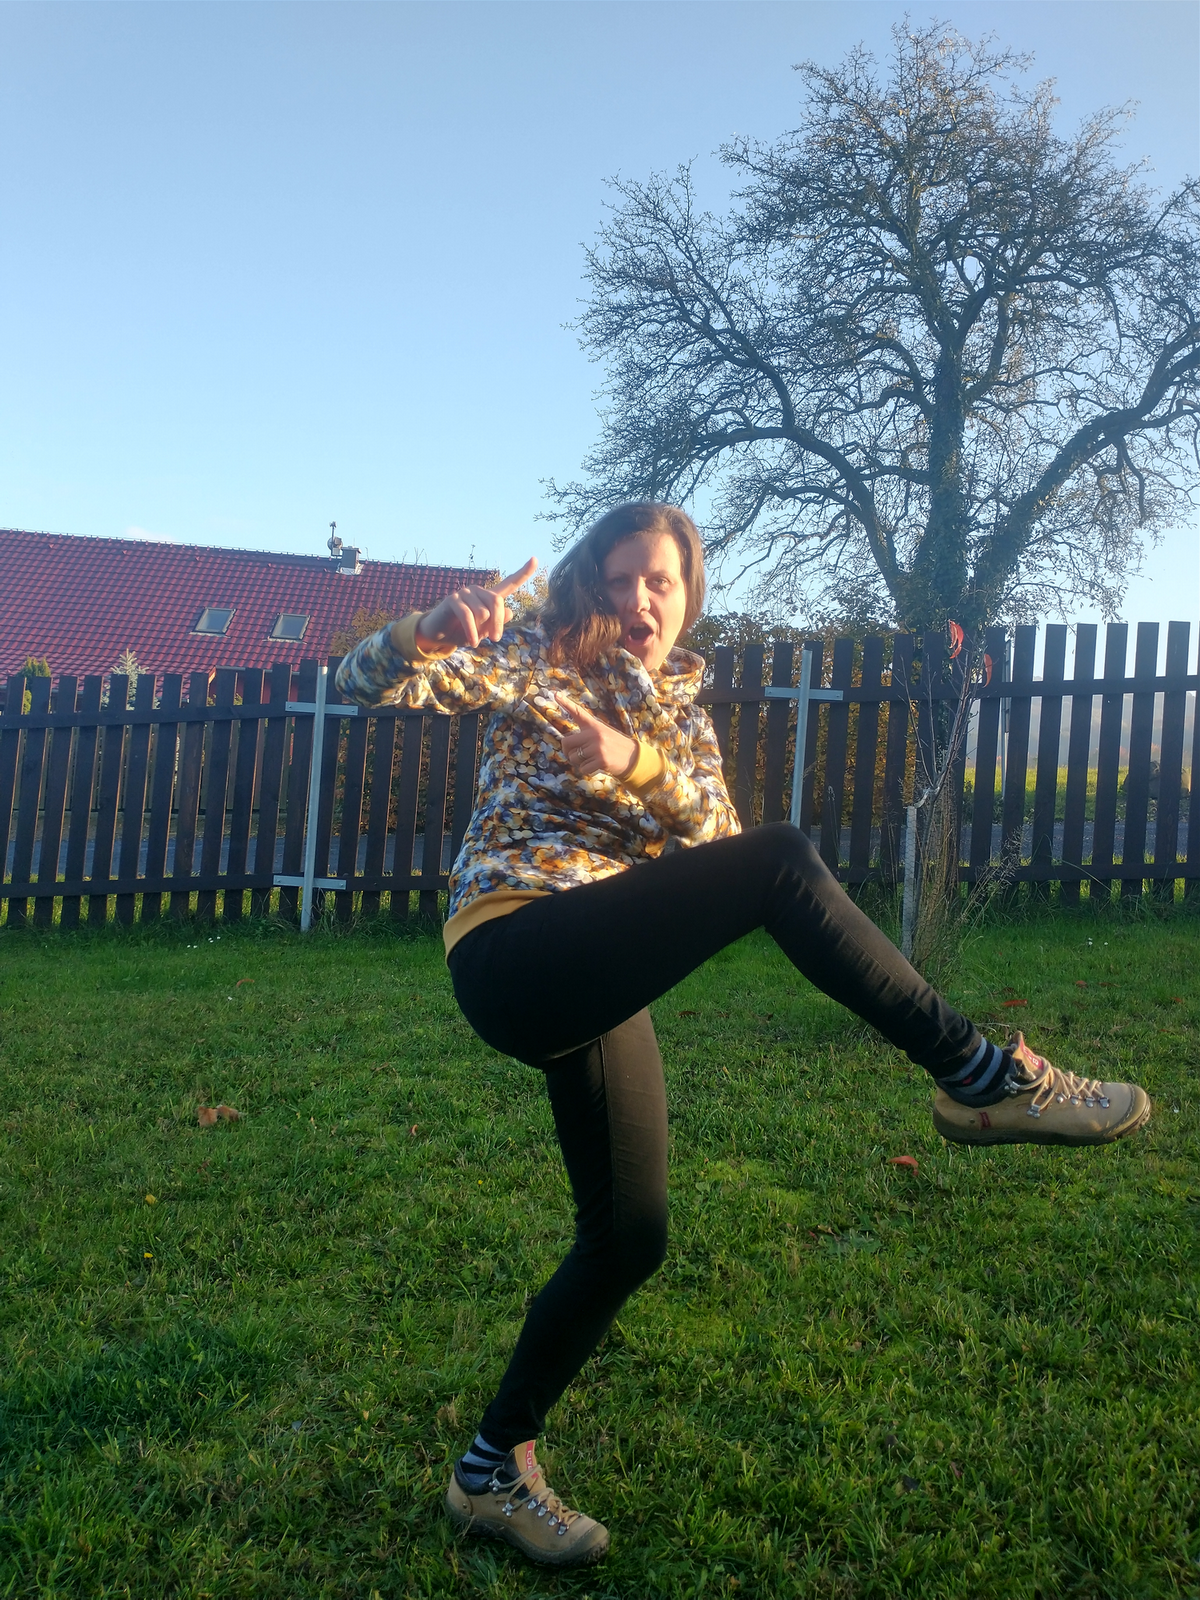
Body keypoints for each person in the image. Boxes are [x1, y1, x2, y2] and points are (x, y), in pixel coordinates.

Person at [336, 502, 1150, 1570]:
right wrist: (426, 631)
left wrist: (633, 760)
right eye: (621, 578)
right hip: (513, 944)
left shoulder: (680, 716)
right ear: (590, 586)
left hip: (596, 965)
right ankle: (980, 1073)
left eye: (661, 582)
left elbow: (712, 837)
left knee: (630, 1237)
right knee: (782, 857)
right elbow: (358, 685)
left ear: (687, 598)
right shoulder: (537, 651)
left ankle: (490, 1469)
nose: (639, 599)